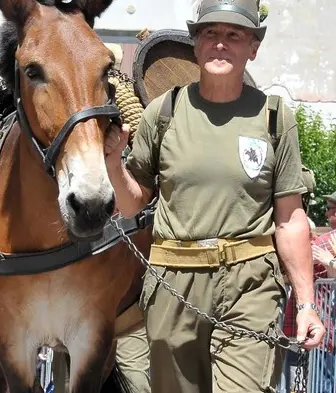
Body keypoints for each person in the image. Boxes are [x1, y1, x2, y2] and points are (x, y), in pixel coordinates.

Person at [103, 0, 325, 391]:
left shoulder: (274, 117)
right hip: (174, 282)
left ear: (253, 47)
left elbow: (290, 220)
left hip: (249, 284)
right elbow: (133, 201)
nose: (220, 43)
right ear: (195, 43)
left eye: (234, 35)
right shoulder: (164, 111)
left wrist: (307, 304)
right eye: (210, 33)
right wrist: (113, 165)